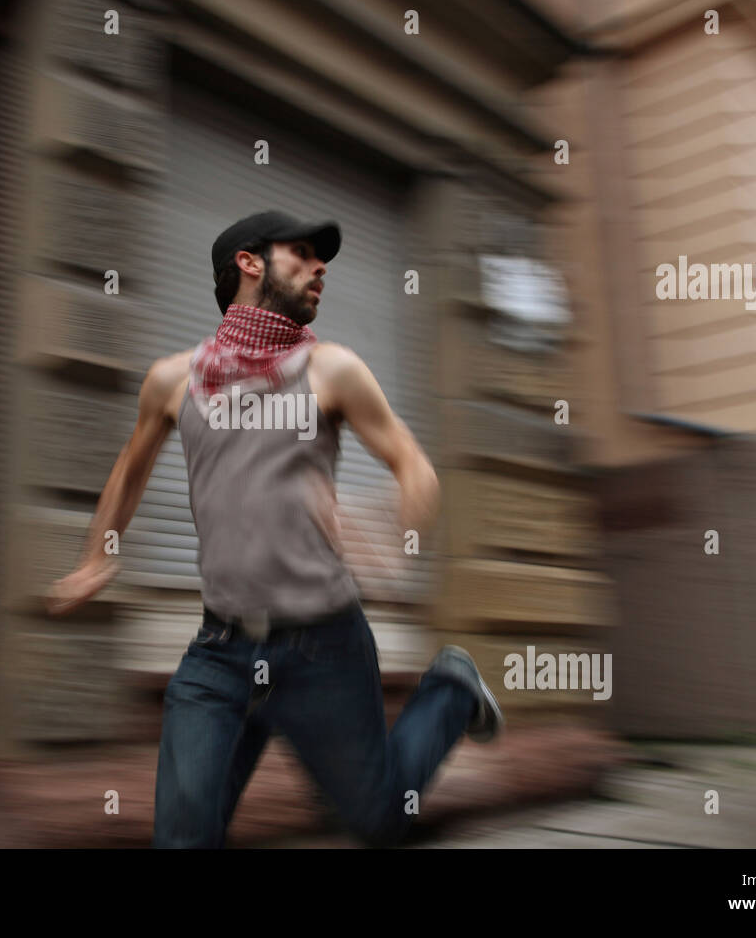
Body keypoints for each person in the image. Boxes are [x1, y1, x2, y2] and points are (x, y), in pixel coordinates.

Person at [46, 210, 504, 848]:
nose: (320, 268)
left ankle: (452, 690)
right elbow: (129, 468)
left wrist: (394, 528)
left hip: (324, 650)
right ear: (249, 262)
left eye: (324, 259)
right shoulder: (173, 381)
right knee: (182, 839)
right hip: (220, 653)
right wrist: (96, 554)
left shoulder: (331, 370)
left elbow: (412, 463)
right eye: (303, 253)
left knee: (377, 817)